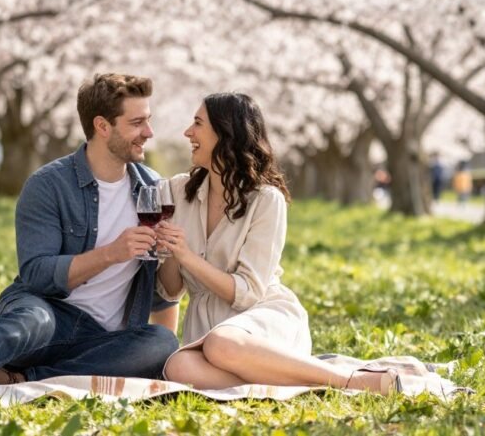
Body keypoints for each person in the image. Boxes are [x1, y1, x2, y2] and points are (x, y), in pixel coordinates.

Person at [0, 73, 179, 402]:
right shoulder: (48, 185)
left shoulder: (152, 189)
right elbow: (36, 274)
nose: (148, 133)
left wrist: (172, 252)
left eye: (147, 121)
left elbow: (162, 295)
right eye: (137, 123)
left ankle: (22, 379)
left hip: (102, 341)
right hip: (46, 317)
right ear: (102, 126)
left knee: (161, 342)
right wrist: (111, 253)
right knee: (35, 320)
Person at [153, 93, 400, 394]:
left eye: (198, 123)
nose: (187, 132)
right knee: (176, 367)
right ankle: (299, 382)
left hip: (261, 319)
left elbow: (247, 293)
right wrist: (172, 253)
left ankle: (350, 381)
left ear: (225, 133)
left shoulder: (266, 200)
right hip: (206, 330)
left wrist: (188, 256)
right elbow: (170, 289)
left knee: (222, 343)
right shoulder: (178, 192)